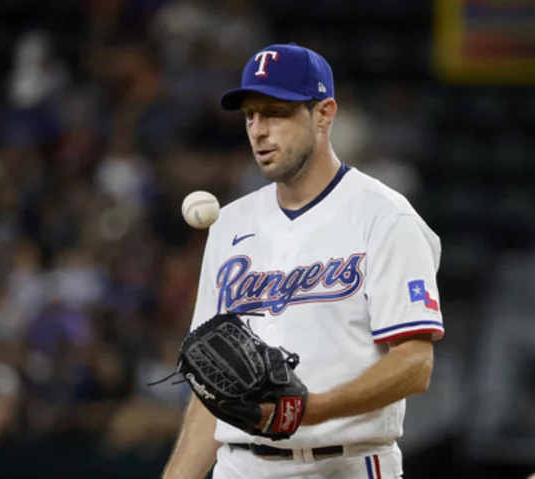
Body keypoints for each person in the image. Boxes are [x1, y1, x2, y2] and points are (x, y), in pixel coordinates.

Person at [161, 43, 444, 479]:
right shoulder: (230, 224)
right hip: (240, 466)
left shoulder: (386, 217)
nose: (258, 130)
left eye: (275, 112)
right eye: (250, 115)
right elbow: (211, 383)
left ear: (324, 114)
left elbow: (414, 364)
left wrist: (310, 410)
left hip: (347, 461)